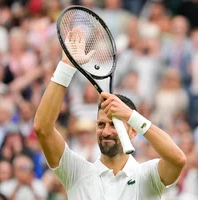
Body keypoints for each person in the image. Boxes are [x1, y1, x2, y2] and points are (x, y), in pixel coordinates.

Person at [34, 28, 186, 199]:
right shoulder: (77, 173)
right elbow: (43, 128)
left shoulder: (147, 175)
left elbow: (177, 160)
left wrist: (130, 116)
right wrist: (67, 65)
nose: (106, 132)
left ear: (133, 131)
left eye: (115, 124)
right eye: (101, 124)